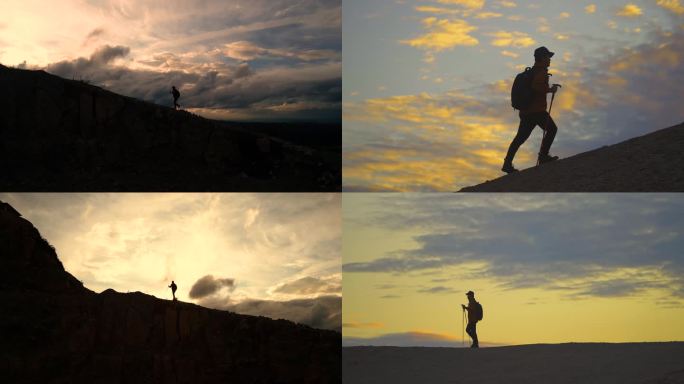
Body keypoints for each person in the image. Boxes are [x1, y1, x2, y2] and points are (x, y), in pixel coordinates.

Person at [502, 46, 561, 173]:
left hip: (526, 112)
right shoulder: (540, 71)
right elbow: (536, 86)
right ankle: (543, 156)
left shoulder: (531, 72)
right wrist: (550, 90)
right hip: (537, 111)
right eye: (547, 57)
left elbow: (535, 86)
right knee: (552, 129)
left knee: (520, 138)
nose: (550, 60)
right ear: (541, 58)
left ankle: (507, 164)